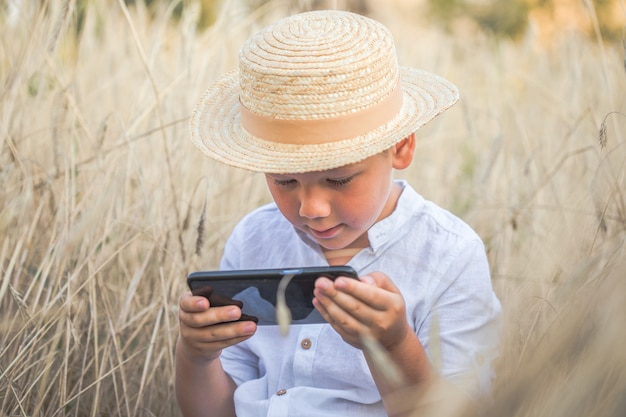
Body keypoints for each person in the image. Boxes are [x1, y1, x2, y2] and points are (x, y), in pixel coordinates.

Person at [176, 10, 501, 417]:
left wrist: (394, 346)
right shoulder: (253, 238)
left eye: (341, 179)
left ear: (400, 147)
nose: (311, 209)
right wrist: (194, 356)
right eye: (285, 181)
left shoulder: (449, 256)